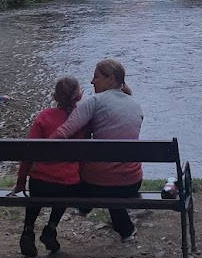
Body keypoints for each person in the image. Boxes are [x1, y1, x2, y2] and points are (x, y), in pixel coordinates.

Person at [51, 58, 143, 241]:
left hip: (98, 185)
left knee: (92, 179)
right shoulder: (135, 105)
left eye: (96, 77)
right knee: (111, 177)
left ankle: (82, 208)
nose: (92, 81)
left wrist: (40, 148)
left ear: (110, 79)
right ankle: (125, 229)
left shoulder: (95, 101)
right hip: (132, 183)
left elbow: (63, 133)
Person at [8, 77, 83, 258]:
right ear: (78, 96)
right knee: (67, 185)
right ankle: (51, 227)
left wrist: (20, 182)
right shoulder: (82, 120)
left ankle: (28, 230)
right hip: (68, 184)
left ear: (55, 97)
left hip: (40, 182)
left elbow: (28, 153)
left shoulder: (44, 117)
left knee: (37, 190)